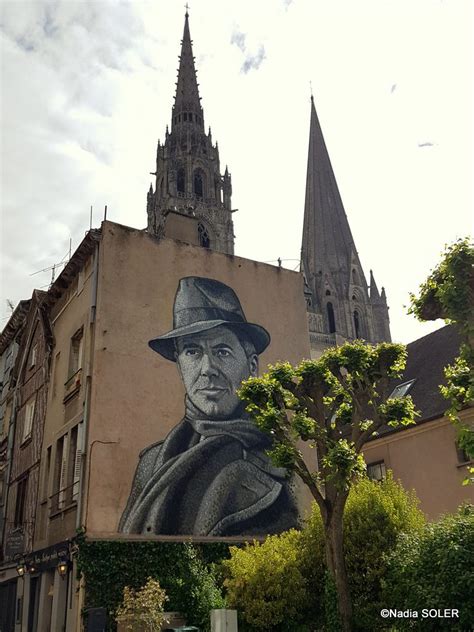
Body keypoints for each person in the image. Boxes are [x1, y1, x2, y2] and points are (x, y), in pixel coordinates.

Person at [118, 276, 299, 536]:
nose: (207, 370)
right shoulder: (151, 463)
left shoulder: (277, 457)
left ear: (252, 366)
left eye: (222, 351)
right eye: (192, 352)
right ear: (180, 367)